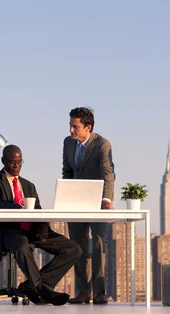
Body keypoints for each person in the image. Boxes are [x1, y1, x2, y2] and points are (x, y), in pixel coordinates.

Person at [0, 145, 82, 306]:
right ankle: (41, 288)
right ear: (4, 161)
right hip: (7, 231)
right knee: (21, 246)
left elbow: (38, 210)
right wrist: (19, 208)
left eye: (20, 162)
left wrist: (42, 226)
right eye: (13, 162)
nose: (17, 166)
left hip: (31, 230)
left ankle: (31, 286)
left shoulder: (28, 185)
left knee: (73, 249)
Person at [62, 107, 115, 305]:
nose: (71, 130)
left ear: (88, 127)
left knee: (99, 246)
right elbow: (67, 171)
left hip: (99, 202)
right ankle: (84, 293)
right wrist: (65, 197)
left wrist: (107, 200)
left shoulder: (102, 144)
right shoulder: (68, 143)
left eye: (75, 127)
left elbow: (108, 172)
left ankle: (100, 293)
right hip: (75, 202)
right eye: (70, 126)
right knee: (79, 247)